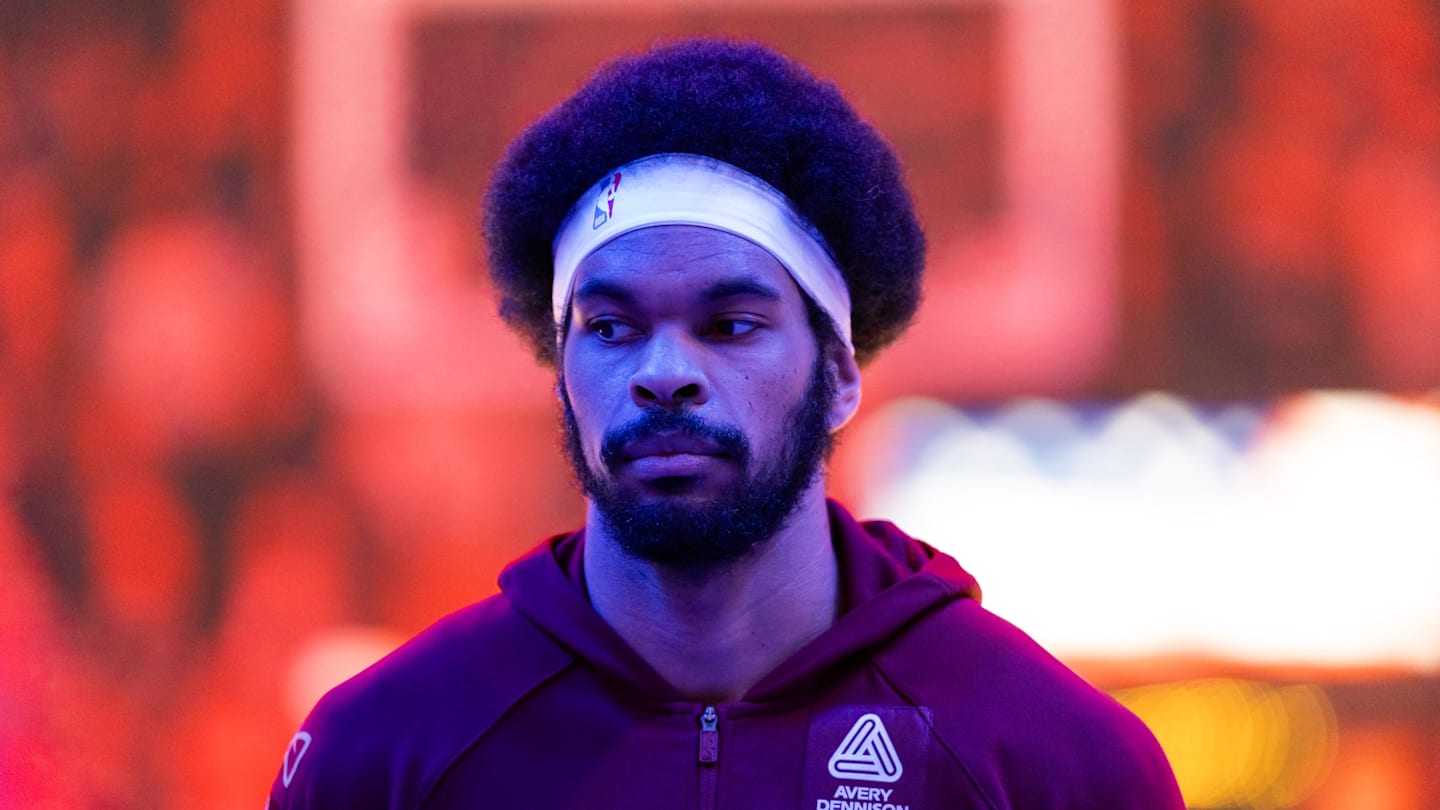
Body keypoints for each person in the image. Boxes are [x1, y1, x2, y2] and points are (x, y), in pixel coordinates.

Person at [268, 38, 1184, 809]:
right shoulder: (384, 753)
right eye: (613, 328)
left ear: (839, 374)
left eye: (730, 325)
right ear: (561, 376)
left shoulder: (1054, 763)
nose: (664, 375)